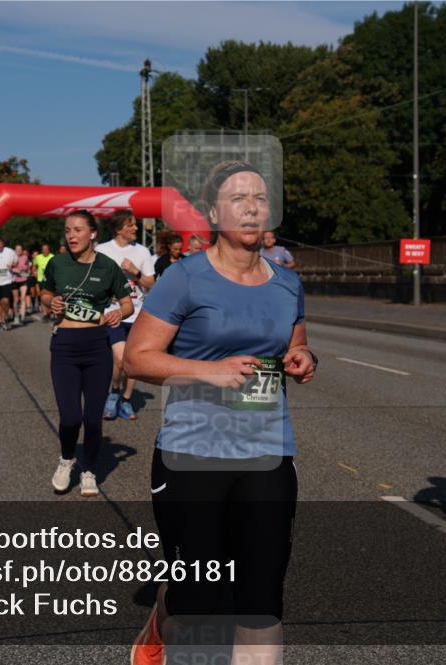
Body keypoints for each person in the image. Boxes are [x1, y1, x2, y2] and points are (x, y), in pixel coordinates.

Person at [124, 161, 316, 665]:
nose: (251, 207)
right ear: (213, 213)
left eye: (259, 197)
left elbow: (295, 342)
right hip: (192, 452)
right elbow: (137, 358)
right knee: (198, 596)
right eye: (237, 198)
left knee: (262, 599)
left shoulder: (287, 282)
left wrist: (303, 358)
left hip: (267, 451)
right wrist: (209, 371)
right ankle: (164, 618)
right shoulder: (185, 278)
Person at [41, 210, 133, 497]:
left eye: (78, 230)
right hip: (65, 345)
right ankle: (66, 459)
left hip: (96, 346)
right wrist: (52, 301)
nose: (71, 235)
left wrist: (119, 313)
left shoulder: (107, 266)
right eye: (68, 230)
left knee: (93, 419)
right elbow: (44, 294)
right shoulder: (57, 263)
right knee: (71, 417)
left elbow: (128, 304)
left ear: (92, 233)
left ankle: (89, 469)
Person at [96, 210, 156, 420]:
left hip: (138, 314)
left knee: (133, 361)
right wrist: (106, 293)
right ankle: (114, 393)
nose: (136, 228)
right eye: (131, 225)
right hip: (114, 314)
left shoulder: (142, 252)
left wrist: (135, 272)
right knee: (120, 359)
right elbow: (94, 279)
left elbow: (151, 284)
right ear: (118, 228)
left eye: (136, 224)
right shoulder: (102, 250)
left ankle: (127, 399)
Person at [33, 244, 55, 321]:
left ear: (49, 250)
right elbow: (34, 265)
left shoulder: (53, 257)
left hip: (50, 280)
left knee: (50, 296)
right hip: (41, 279)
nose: (45, 251)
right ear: (41, 250)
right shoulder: (38, 257)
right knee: (42, 296)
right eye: (43, 249)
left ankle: (51, 312)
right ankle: (45, 313)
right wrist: (34, 272)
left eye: (46, 249)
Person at [10, 244, 30, 326]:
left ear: (22, 250)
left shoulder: (25, 257)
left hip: (23, 280)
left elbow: (27, 267)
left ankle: (22, 316)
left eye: (20, 249)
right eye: (17, 249)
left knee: (23, 298)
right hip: (14, 280)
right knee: (16, 300)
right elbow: (9, 268)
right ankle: (16, 316)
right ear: (15, 250)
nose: (18, 251)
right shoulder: (11, 258)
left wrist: (24, 269)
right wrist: (15, 270)